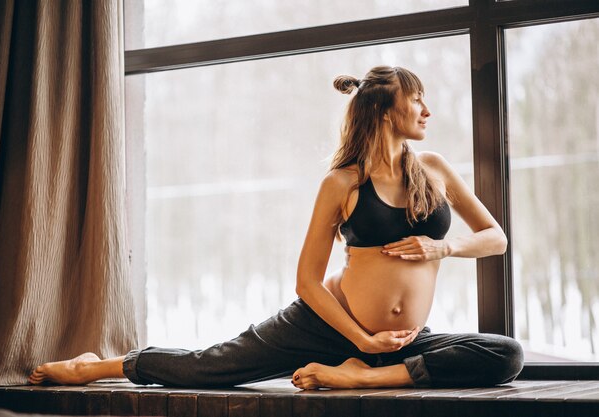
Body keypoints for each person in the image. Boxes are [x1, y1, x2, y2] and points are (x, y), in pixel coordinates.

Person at [28, 65, 523, 389]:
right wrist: (361, 339)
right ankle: (97, 365)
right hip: (327, 327)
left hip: (402, 340)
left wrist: (444, 249)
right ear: (383, 109)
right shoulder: (342, 183)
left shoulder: (433, 168)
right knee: (209, 367)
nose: (427, 110)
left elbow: (494, 238)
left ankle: (361, 378)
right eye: (417, 100)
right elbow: (307, 281)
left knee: (505, 354)